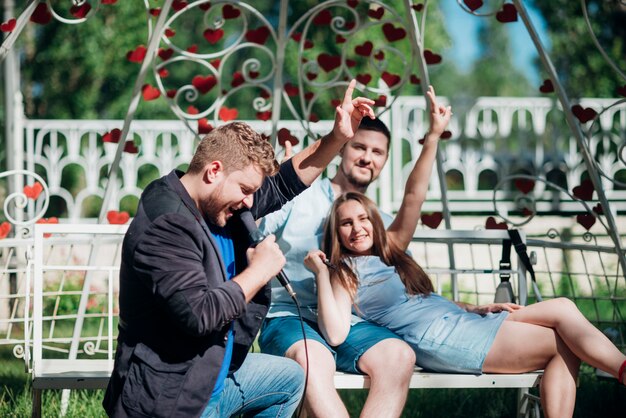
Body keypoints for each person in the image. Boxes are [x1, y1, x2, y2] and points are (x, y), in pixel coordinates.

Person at [305, 91, 626, 418]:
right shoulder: (343, 271)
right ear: (336, 233)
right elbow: (336, 332)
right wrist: (320, 272)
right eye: (346, 223)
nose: (357, 228)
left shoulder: (390, 251)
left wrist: (475, 306)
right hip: (442, 336)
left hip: (458, 319)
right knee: (562, 344)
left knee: (564, 308)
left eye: (363, 219)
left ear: (375, 223)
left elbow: (418, 290)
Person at [103, 80, 376, 418]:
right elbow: (199, 315)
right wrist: (260, 271)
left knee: (290, 377)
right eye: (246, 190)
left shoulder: (217, 201)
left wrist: (338, 137)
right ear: (214, 171)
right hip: (174, 399)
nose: (250, 202)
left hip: (214, 376)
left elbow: (283, 183)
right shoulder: (167, 223)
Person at [258, 86, 450, 417]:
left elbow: (409, 290)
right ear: (343, 147)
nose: (366, 157)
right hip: (291, 316)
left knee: (399, 355)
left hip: (351, 324)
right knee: (311, 357)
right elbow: (254, 229)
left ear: (385, 160)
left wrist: (472, 308)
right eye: (359, 147)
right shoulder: (298, 194)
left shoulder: (378, 223)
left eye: (377, 152)